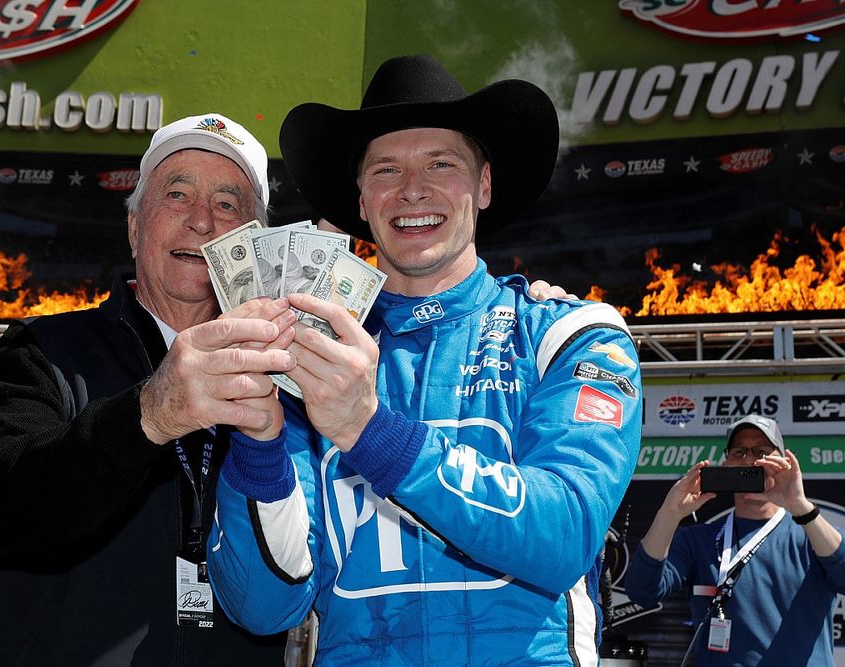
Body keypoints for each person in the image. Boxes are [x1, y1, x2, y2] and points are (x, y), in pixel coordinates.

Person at [206, 54, 643, 665]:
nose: (413, 189)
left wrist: (370, 430)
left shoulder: (570, 334)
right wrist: (257, 442)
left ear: (483, 185)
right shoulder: (304, 357)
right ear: (361, 199)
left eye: (441, 163)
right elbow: (263, 607)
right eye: (386, 169)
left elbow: (563, 534)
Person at [0, 112, 298, 665]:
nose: (203, 222)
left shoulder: (287, 377)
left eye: (229, 204)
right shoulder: (42, 350)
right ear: (135, 226)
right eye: (178, 195)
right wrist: (148, 415)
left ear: (256, 243)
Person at [625, 415, 845, 666]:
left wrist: (800, 506)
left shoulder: (813, 535)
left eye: (761, 451)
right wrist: (669, 513)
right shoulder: (698, 539)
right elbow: (642, 591)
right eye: (739, 452)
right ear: (726, 464)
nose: (750, 460)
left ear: (782, 462)